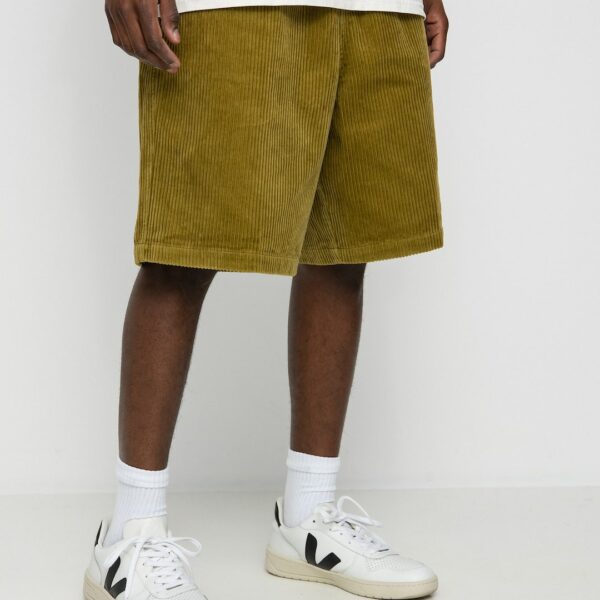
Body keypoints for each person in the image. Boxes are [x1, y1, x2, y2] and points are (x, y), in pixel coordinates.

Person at [83, 0, 448, 597]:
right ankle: (130, 535)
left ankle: (308, 519)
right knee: (182, 246)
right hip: (227, 8)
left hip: (380, 11)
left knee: (344, 246)